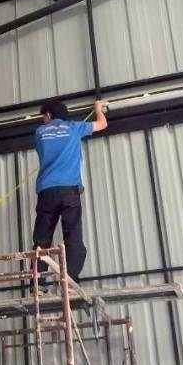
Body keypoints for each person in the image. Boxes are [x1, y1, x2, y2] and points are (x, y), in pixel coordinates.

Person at [32, 99, 108, 285]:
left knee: (42, 239)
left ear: (49, 115)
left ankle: (38, 284)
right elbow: (102, 124)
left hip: (46, 191)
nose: (43, 120)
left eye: (44, 117)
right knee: (73, 238)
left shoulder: (39, 132)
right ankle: (69, 279)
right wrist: (97, 108)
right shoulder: (74, 127)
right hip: (69, 191)